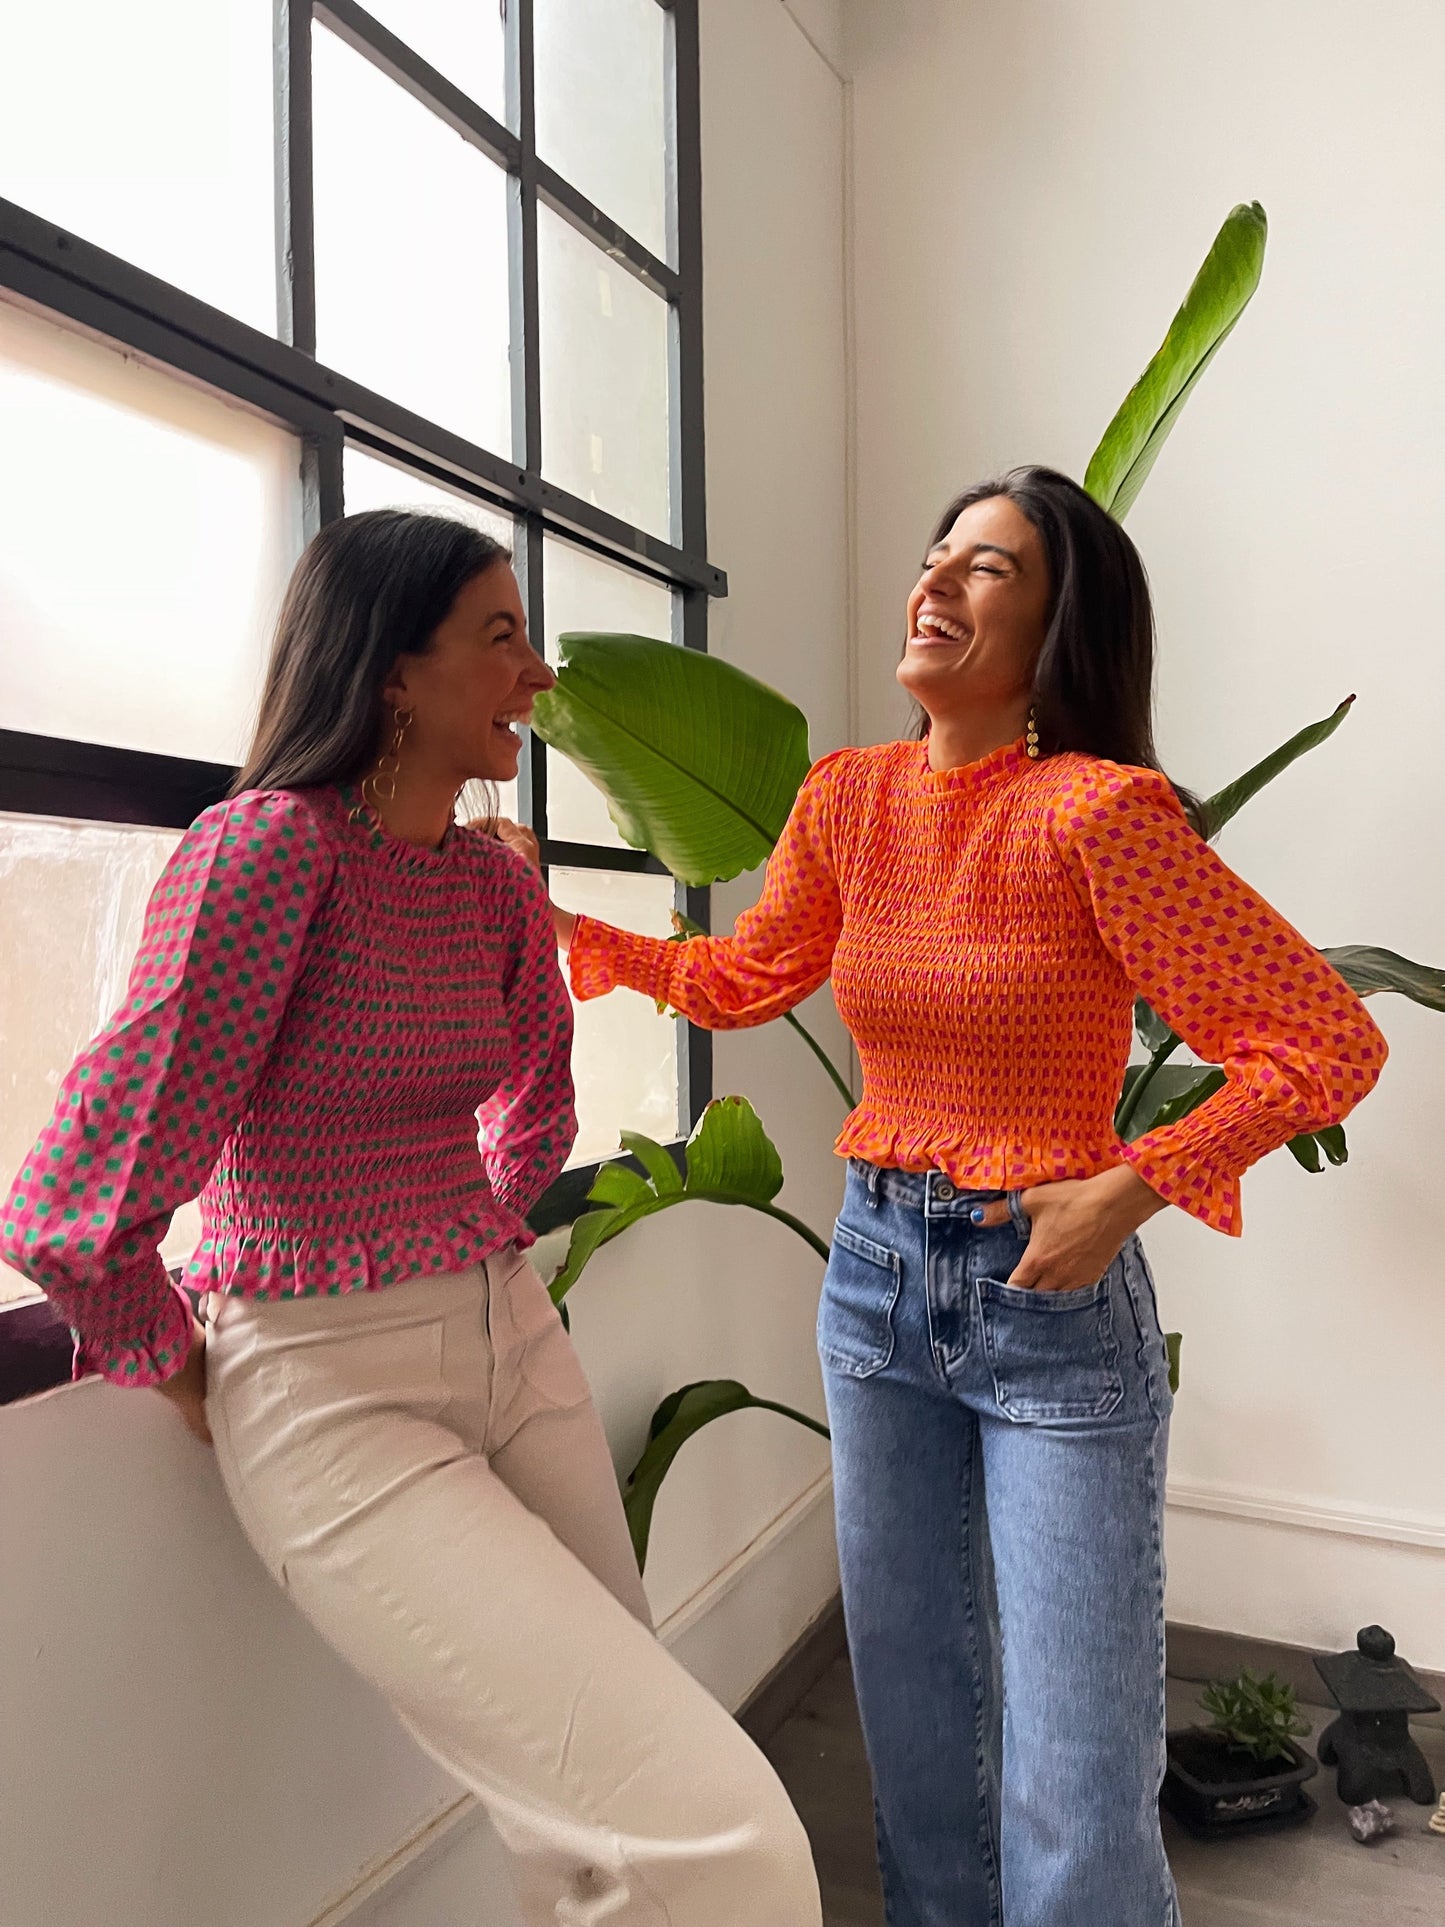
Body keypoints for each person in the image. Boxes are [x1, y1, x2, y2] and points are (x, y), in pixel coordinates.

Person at [544, 468, 1388, 1927]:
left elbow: (1323, 1040)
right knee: (917, 1727)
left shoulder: (1098, 814)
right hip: (873, 1285)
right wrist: (557, 924)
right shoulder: (847, 798)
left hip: (1047, 1304)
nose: (935, 581)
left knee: (1075, 1768)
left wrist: (1127, 1190)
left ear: (1059, 627)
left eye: (987, 567)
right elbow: (745, 975)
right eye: (936, 554)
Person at [2, 510, 821, 1927]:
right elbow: (72, 1203)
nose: (538, 674)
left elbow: (539, 1102)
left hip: (514, 1343)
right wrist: (184, 1363)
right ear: (392, 670)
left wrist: (463, 1231)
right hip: (331, 1390)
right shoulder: (268, 855)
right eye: (501, 637)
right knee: (725, 1841)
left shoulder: (490, 879)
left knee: (597, 1842)